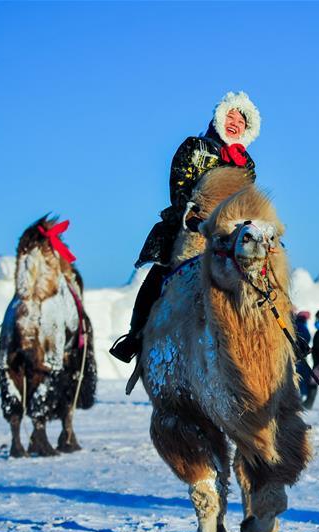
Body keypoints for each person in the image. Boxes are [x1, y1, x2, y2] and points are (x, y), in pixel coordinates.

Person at [110, 91, 261, 362]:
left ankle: (285, 332)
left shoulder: (247, 164)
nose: (235, 123)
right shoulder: (194, 147)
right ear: (219, 117)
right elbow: (178, 184)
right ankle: (135, 336)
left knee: (266, 266)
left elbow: (247, 198)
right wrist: (189, 213)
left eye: (242, 120)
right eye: (231, 115)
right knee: (161, 273)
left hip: (231, 229)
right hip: (192, 223)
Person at [293, 311, 313, 401]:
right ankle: (302, 395)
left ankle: (302, 395)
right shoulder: (301, 325)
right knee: (302, 376)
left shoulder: (296, 324)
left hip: (299, 355)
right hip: (300, 355)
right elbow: (305, 338)